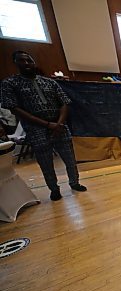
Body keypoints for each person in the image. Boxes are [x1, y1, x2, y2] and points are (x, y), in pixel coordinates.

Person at [1, 51, 86, 201]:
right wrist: (47, 124)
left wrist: (58, 124)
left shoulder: (50, 82)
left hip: (59, 126)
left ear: (34, 63)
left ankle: (75, 182)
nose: (26, 63)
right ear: (15, 63)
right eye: (22, 61)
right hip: (36, 129)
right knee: (46, 162)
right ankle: (54, 189)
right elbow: (14, 108)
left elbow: (64, 102)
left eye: (29, 60)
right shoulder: (10, 83)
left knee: (70, 159)